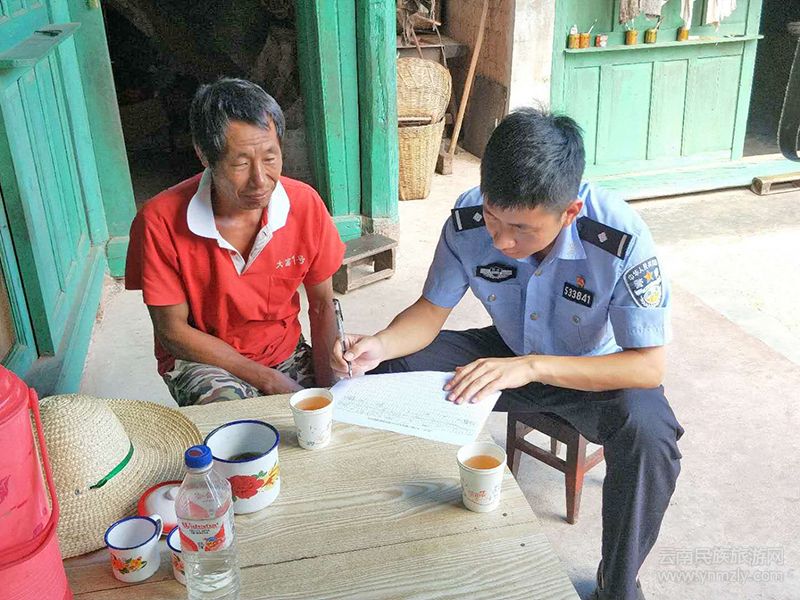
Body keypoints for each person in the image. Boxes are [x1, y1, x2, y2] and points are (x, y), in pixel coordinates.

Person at [331, 108, 683, 600]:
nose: (501, 240)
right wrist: (379, 344)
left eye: (521, 228)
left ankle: (617, 584)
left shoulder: (618, 236)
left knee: (651, 433)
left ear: (569, 213)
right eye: (494, 218)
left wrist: (531, 368)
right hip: (509, 353)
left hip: (590, 372)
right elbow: (430, 312)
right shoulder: (469, 217)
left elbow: (648, 365)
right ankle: (383, 529)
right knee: (390, 367)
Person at [126, 77, 345, 406]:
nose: (260, 180)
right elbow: (172, 332)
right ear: (204, 155)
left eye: (270, 158)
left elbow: (323, 305)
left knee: (340, 406)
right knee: (239, 424)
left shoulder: (305, 205)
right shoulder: (159, 220)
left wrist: (331, 393)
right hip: (205, 360)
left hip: (283, 351)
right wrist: (266, 379)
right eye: (241, 163)